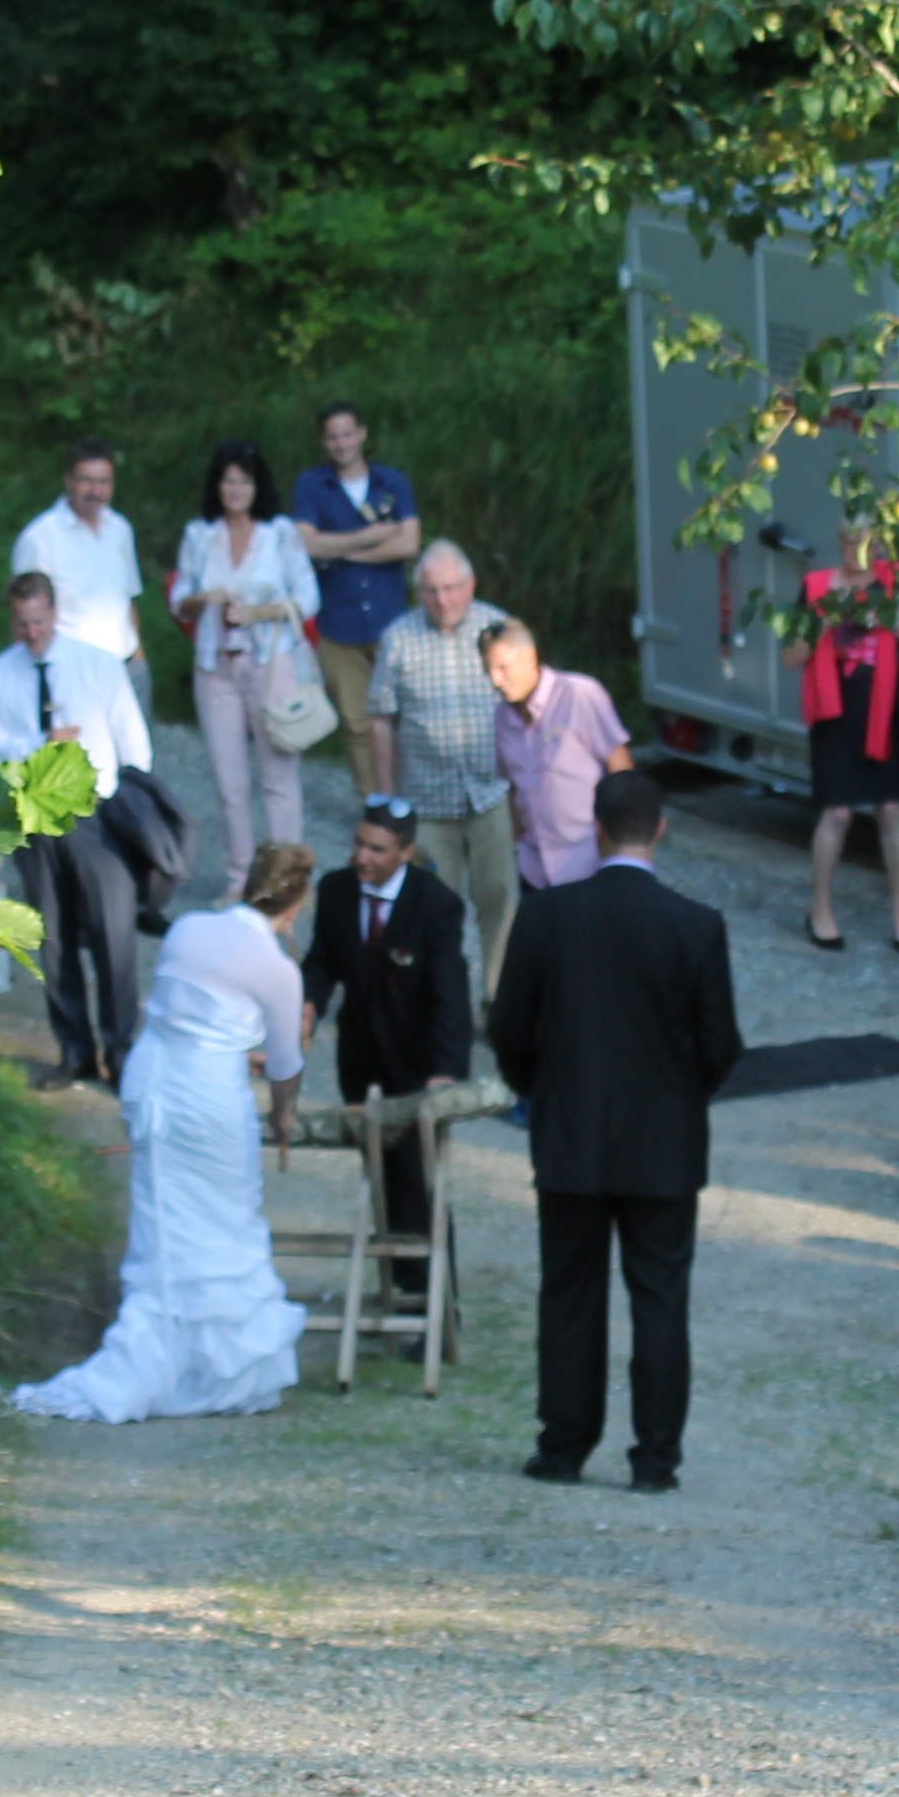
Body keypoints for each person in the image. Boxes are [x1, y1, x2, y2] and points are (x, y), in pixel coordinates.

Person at [488, 769, 741, 1489]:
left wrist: (540, 1086)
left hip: (571, 1132)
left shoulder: (548, 916)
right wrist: (684, 1096)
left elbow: (507, 1026)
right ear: (660, 829)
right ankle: (656, 1459)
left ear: (594, 827)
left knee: (569, 1293)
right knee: (661, 1299)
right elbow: (720, 1043)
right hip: (664, 1141)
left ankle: (563, 1447)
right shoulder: (697, 926)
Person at [15, 843, 321, 1423]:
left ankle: (173, 1358)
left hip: (153, 1077)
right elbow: (287, 1063)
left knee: (166, 1220)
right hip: (207, 1096)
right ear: (298, 900)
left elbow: (188, 1013)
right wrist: (282, 1115)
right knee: (222, 1223)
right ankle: (213, 1370)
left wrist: (243, 1053)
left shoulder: (189, 929)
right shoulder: (278, 969)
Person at [0, 570, 157, 1091]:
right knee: (52, 937)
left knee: (112, 935)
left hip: (94, 813)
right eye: (22, 623)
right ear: (11, 620)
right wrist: (37, 742)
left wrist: (135, 809)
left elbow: (133, 741)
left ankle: (120, 1050)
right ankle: (73, 1048)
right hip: (34, 818)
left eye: (39, 620)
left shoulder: (95, 665)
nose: (32, 632)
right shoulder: (3, 675)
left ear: (53, 613)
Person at [299, 807, 472, 1293]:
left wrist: (445, 1070)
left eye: (376, 849)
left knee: (422, 1185)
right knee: (381, 1177)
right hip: (361, 1060)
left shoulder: (436, 905)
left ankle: (436, 1303)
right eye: (358, 844)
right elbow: (323, 960)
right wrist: (308, 1001)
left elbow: (449, 994)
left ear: (406, 853)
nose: (361, 858)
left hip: (415, 1063)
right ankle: (398, 1286)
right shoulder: (337, 890)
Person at [363, 543, 520, 1010]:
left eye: (452, 588)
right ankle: (440, 1003)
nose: (443, 599)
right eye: (431, 591)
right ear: (419, 592)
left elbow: (520, 707)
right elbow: (380, 717)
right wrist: (387, 800)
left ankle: (498, 1001)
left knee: (501, 900)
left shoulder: (498, 628)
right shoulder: (399, 638)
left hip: (490, 794)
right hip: (427, 802)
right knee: (434, 910)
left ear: (470, 586)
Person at [170, 438, 322, 890]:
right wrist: (205, 599)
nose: (235, 490)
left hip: (270, 662)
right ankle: (240, 878)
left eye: (244, 481)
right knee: (229, 780)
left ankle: (286, 876)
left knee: (278, 773)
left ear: (258, 486)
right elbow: (180, 602)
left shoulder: (280, 534)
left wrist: (261, 611)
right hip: (216, 668)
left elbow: (309, 597)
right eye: (227, 480)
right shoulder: (200, 536)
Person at [291, 402, 422, 806]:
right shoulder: (311, 486)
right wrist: (368, 537)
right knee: (357, 722)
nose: (341, 443)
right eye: (332, 436)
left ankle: (408, 802)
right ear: (323, 441)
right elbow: (304, 544)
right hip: (337, 624)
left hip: (392, 621)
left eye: (347, 433)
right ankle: (374, 804)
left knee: (403, 717)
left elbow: (410, 543)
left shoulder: (392, 482)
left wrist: (338, 550)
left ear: (362, 434)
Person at [797, 557, 899, 951]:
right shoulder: (817, 587)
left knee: (891, 810)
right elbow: (791, 657)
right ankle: (820, 908)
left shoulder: (893, 585)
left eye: (865, 543)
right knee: (837, 813)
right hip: (835, 713)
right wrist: (822, 626)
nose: (856, 551)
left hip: (882, 709)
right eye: (849, 541)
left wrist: (889, 621)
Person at [483, 617, 633, 899]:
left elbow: (622, 772)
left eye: (503, 668)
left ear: (530, 657)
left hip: (588, 864)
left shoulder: (580, 695)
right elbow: (512, 787)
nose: (495, 680)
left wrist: (623, 853)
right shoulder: (502, 717)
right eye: (488, 670)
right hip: (535, 870)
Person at [11, 439, 148, 723]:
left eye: (104, 481)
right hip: (71, 674)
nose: (96, 491)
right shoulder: (40, 538)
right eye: (86, 481)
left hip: (126, 666)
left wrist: (138, 656)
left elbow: (128, 598)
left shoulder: (120, 530)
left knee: (136, 760)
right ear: (68, 480)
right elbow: (21, 613)